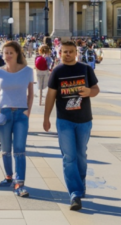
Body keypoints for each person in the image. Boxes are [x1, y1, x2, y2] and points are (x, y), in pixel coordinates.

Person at [43, 40, 100, 212]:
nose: (67, 54)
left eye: (70, 52)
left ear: (76, 53)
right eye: (64, 52)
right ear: (59, 54)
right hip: (65, 120)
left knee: (81, 155)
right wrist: (46, 118)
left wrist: (89, 92)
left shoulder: (85, 69)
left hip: (84, 120)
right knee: (69, 157)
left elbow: (96, 89)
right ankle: (74, 193)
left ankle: (80, 183)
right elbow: (51, 96)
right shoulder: (57, 72)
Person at [0, 41, 34, 197]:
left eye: (11, 52)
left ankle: (19, 183)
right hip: (5, 113)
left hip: (21, 114)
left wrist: (28, 111)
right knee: (5, 149)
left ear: (17, 54)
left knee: (20, 150)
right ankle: (9, 177)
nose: (8, 55)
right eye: (5, 53)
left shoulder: (28, 71)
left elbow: (30, 93)